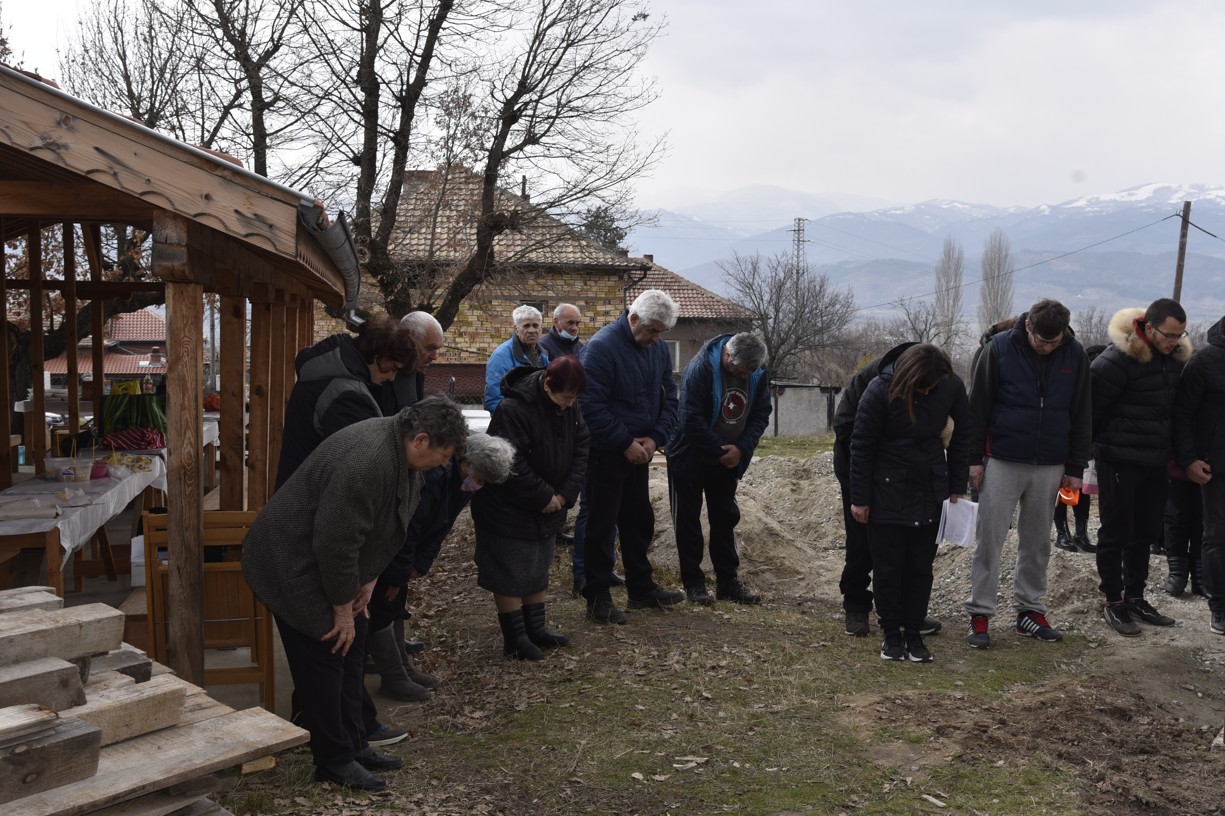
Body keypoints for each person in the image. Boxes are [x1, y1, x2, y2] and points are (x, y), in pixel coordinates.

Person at [241, 397, 468, 791]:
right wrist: (342, 609)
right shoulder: (368, 461)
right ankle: (333, 760)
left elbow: (384, 528)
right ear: (421, 439)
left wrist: (370, 578)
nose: (444, 465)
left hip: (328, 558)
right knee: (329, 651)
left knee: (354, 649)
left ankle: (355, 743)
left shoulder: (401, 451)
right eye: (444, 456)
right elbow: (335, 543)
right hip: (290, 561)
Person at [963, 299, 1091, 648]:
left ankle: (1029, 611)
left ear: (1063, 334)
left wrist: (1076, 467)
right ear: (1028, 326)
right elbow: (977, 408)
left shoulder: (1075, 355)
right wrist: (973, 460)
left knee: (1037, 542)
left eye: (1053, 342)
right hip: (1001, 459)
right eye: (1041, 340)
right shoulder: (998, 349)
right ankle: (980, 612)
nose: (1046, 347)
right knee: (990, 539)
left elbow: (1082, 412)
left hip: (1051, 463)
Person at [366, 433, 515, 699]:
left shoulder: (460, 484)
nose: (479, 486)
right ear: (467, 463)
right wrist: (398, 574)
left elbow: (441, 527)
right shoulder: (434, 477)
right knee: (382, 607)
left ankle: (402, 669)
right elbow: (409, 527)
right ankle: (393, 677)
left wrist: (420, 564)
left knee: (395, 605)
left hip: (405, 555)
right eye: (480, 479)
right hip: (386, 550)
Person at [850, 344, 970, 663]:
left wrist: (956, 486)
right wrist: (860, 498)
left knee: (920, 568)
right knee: (888, 567)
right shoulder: (879, 390)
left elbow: (962, 438)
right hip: (885, 492)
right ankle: (891, 635)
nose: (929, 391)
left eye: (933, 386)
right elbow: (861, 445)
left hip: (930, 488)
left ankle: (914, 633)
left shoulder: (951, 387)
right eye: (923, 387)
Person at [472, 357, 590, 658]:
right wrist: (544, 496)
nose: (570, 404)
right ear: (548, 385)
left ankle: (536, 628)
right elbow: (510, 462)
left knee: (538, 565)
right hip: (508, 506)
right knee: (510, 571)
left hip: (550, 504)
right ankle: (515, 638)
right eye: (566, 397)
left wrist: (563, 495)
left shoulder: (570, 406)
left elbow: (581, 446)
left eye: (574, 398)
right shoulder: (512, 409)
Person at [579, 289, 681, 624]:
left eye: (661, 333)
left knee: (638, 521)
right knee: (600, 525)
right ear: (634, 319)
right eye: (652, 331)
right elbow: (589, 405)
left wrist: (655, 439)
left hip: (640, 452)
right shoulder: (602, 348)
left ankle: (641, 588)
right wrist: (625, 442)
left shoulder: (657, 349)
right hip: (605, 453)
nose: (656, 339)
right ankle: (597, 597)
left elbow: (669, 399)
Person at [1091, 298, 1192, 636]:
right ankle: (1112, 600)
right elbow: (1090, 410)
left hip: (1156, 461)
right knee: (1116, 531)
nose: (1174, 342)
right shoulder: (1116, 359)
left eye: (1180, 335)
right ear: (1149, 328)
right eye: (1169, 335)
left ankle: (1135, 596)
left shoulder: (1174, 361)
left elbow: (1177, 414)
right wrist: (1092, 452)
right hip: (1119, 460)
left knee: (1145, 533)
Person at [834, 341, 942, 638]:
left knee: (902, 549)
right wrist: (864, 487)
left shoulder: (936, 377)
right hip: (860, 471)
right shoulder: (870, 380)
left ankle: (905, 613)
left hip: (905, 479)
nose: (927, 393)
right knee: (861, 544)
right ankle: (856, 605)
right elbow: (846, 429)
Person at [667, 331, 771, 605]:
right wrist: (719, 451)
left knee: (725, 516)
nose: (745, 375)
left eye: (750, 371)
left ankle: (728, 582)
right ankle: (694, 584)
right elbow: (689, 418)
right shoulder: (701, 369)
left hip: (729, 457)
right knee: (688, 519)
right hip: (689, 454)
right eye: (741, 370)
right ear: (727, 355)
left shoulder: (757, 371)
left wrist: (741, 449)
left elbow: (761, 413)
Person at [275, 314, 418, 488]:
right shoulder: (347, 394)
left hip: (297, 493)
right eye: (393, 367)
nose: (392, 377)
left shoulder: (327, 375)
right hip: (311, 499)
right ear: (376, 355)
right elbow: (364, 464)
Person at [1173, 312, 1225, 634]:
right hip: (1215, 466)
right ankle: (1219, 606)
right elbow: (1182, 414)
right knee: (1217, 536)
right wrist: (1189, 458)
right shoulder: (1203, 361)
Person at [1054, 343, 1108, 555]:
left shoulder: (1102, 384)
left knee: (1083, 488)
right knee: (1061, 487)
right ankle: (1062, 532)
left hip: (1086, 442)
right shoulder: (1074, 379)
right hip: (1063, 438)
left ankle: (1081, 533)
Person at [484, 304, 549, 412]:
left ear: (541, 329)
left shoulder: (543, 354)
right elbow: (494, 400)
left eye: (535, 325)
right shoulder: (501, 356)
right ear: (516, 329)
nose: (532, 330)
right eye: (526, 326)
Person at [389, 311, 446, 409]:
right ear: (410, 341)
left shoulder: (415, 372)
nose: (435, 357)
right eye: (430, 348)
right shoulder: (381, 377)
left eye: (437, 349)